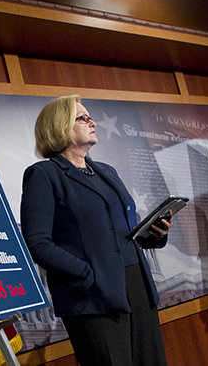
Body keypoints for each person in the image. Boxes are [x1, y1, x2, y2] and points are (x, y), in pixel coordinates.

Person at [20, 95, 171, 366]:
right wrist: (88, 276)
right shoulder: (44, 175)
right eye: (83, 118)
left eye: (90, 117)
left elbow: (122, 231)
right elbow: (37, 243)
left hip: (137, 284)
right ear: (60, 125)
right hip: (93, 296)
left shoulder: (107, 171)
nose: (93, 122)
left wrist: (155, 233)